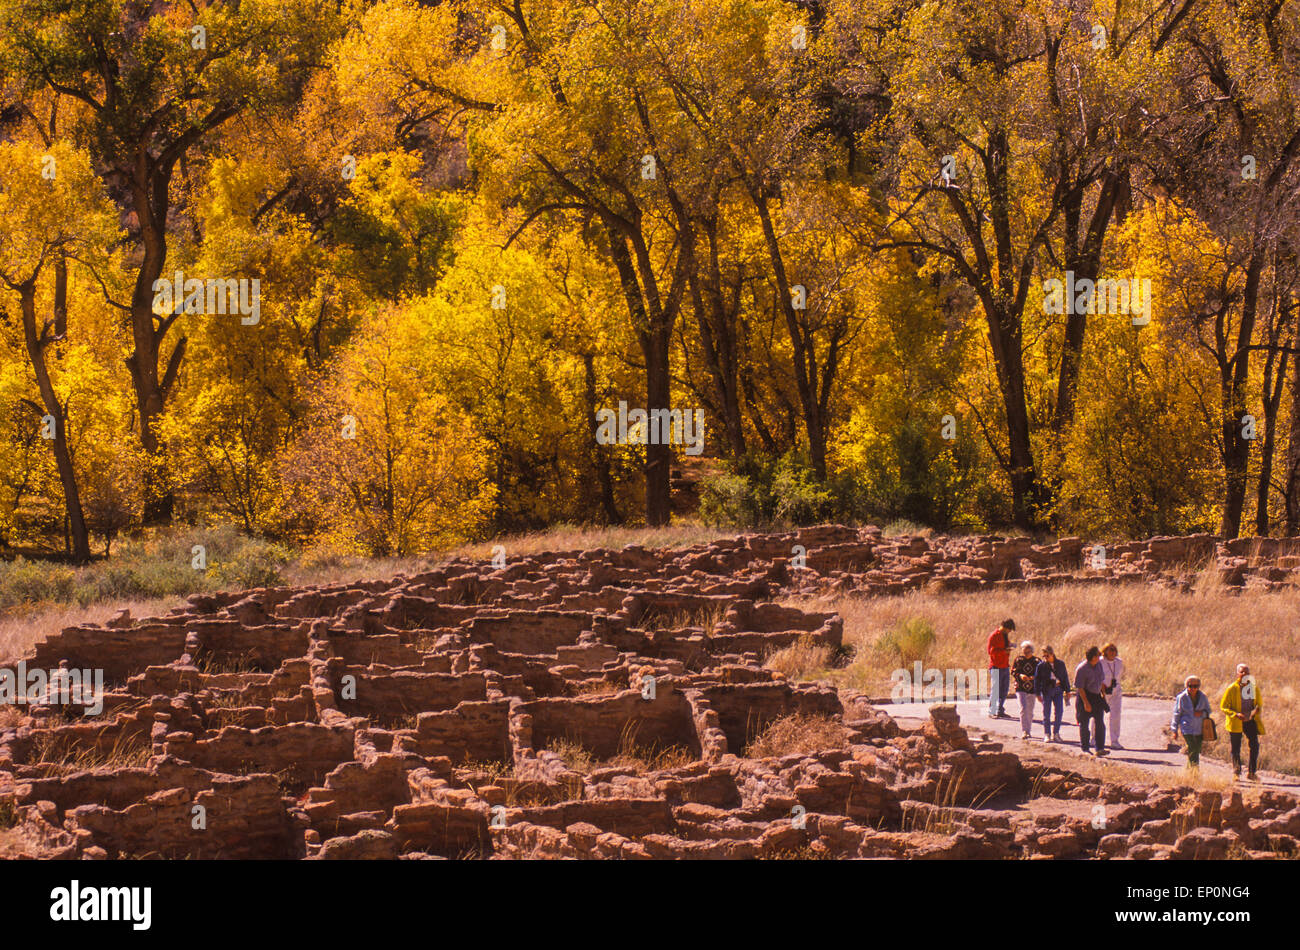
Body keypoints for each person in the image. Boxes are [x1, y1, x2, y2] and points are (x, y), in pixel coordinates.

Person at [1220, 664, 1264, 781]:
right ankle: (1236, 772)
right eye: (1242, 672)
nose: (1244, 674)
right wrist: (1235, 714)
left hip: (1250, 721)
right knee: (1236, 748)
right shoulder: (1231, 688)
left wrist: (1255, 712)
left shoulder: (1254, 688)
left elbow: (1258, 704)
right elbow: (1223, 706)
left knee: (1254, 746)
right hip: (1236, 722)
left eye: (1246, 672)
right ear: (1237, 674)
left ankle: (1251, 773)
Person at [1171, 675, 1213, 770]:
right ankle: (1195, 770)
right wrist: (1174, 730)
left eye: (1196, 686)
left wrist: (1201, 713)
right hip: (1187, 727)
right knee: (1192, 748)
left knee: (1196, 750)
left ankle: (1189, 771)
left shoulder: (1203, 697)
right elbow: (1176, 714)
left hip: (1199, 728)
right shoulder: (1181, 697)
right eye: (1191, 686)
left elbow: (1208, 711)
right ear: (1186, 686)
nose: (1193, 688)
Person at [1074, 646, 1110, 756]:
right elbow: (1080, 687)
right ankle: (1085, 748)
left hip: (1096, 696)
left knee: (1100, 723)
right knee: (1084, 723)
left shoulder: (1099, 665)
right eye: (1098, 655)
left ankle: (1100, 748)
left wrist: (1104, 696)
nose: (1099, 657)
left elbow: (1101, 681)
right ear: (1093, 657)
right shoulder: (1082, 668)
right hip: (1085, 696)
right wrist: (1086, 703)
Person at [1034, 646, 1069, 742]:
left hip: (1058, 689)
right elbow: (1037, 680)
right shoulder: (1041, 666)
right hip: (1047, 690)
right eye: (1044, 656)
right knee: (1046, 713)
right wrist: (1037, 694)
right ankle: (1047, 734)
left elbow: (1065, 677)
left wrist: (1067, 691)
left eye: (1047, 655)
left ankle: (1056, 733)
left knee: (1059, 712)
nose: (1046, 658)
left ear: (1052, 654)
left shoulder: (1060, 664)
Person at [986, 619, 1015, 719]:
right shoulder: (994, 636)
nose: (1009, 631)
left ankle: (1000, 709)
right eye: (1009, 629)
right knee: (995, 689)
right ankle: (992, 711)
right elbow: (991, 652)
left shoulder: (1005, 636)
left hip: (1005, 666)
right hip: (996, 666)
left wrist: (1010, 646)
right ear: (1004, 627)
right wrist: (1004, 651)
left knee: (1004, 689)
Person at [1099, 643, 1125, 750]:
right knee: (1098, 716)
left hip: (1116, 691)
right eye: (1110, 650)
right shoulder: (1100, 661)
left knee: (1116, 716)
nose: (1113, 652)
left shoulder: (1119, 662)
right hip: (1103, 691)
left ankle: (1115, 741)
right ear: (1105, 651)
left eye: (1114, 650)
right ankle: (1094, 739)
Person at [1012, 641, 1038, 739]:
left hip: (1032, 688)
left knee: (1030, 710)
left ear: (1032, 651)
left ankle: (1029, 730)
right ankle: (1024, 731)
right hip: (1021, 687)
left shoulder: (1036, 661)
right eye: (1024, 652)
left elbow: (1041, 674)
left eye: (1027, 652)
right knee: (1023, 708)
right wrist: (1020, 675)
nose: (1025, 654)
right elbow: (1014, 671)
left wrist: (1033, 677)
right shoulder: (1018, 660)